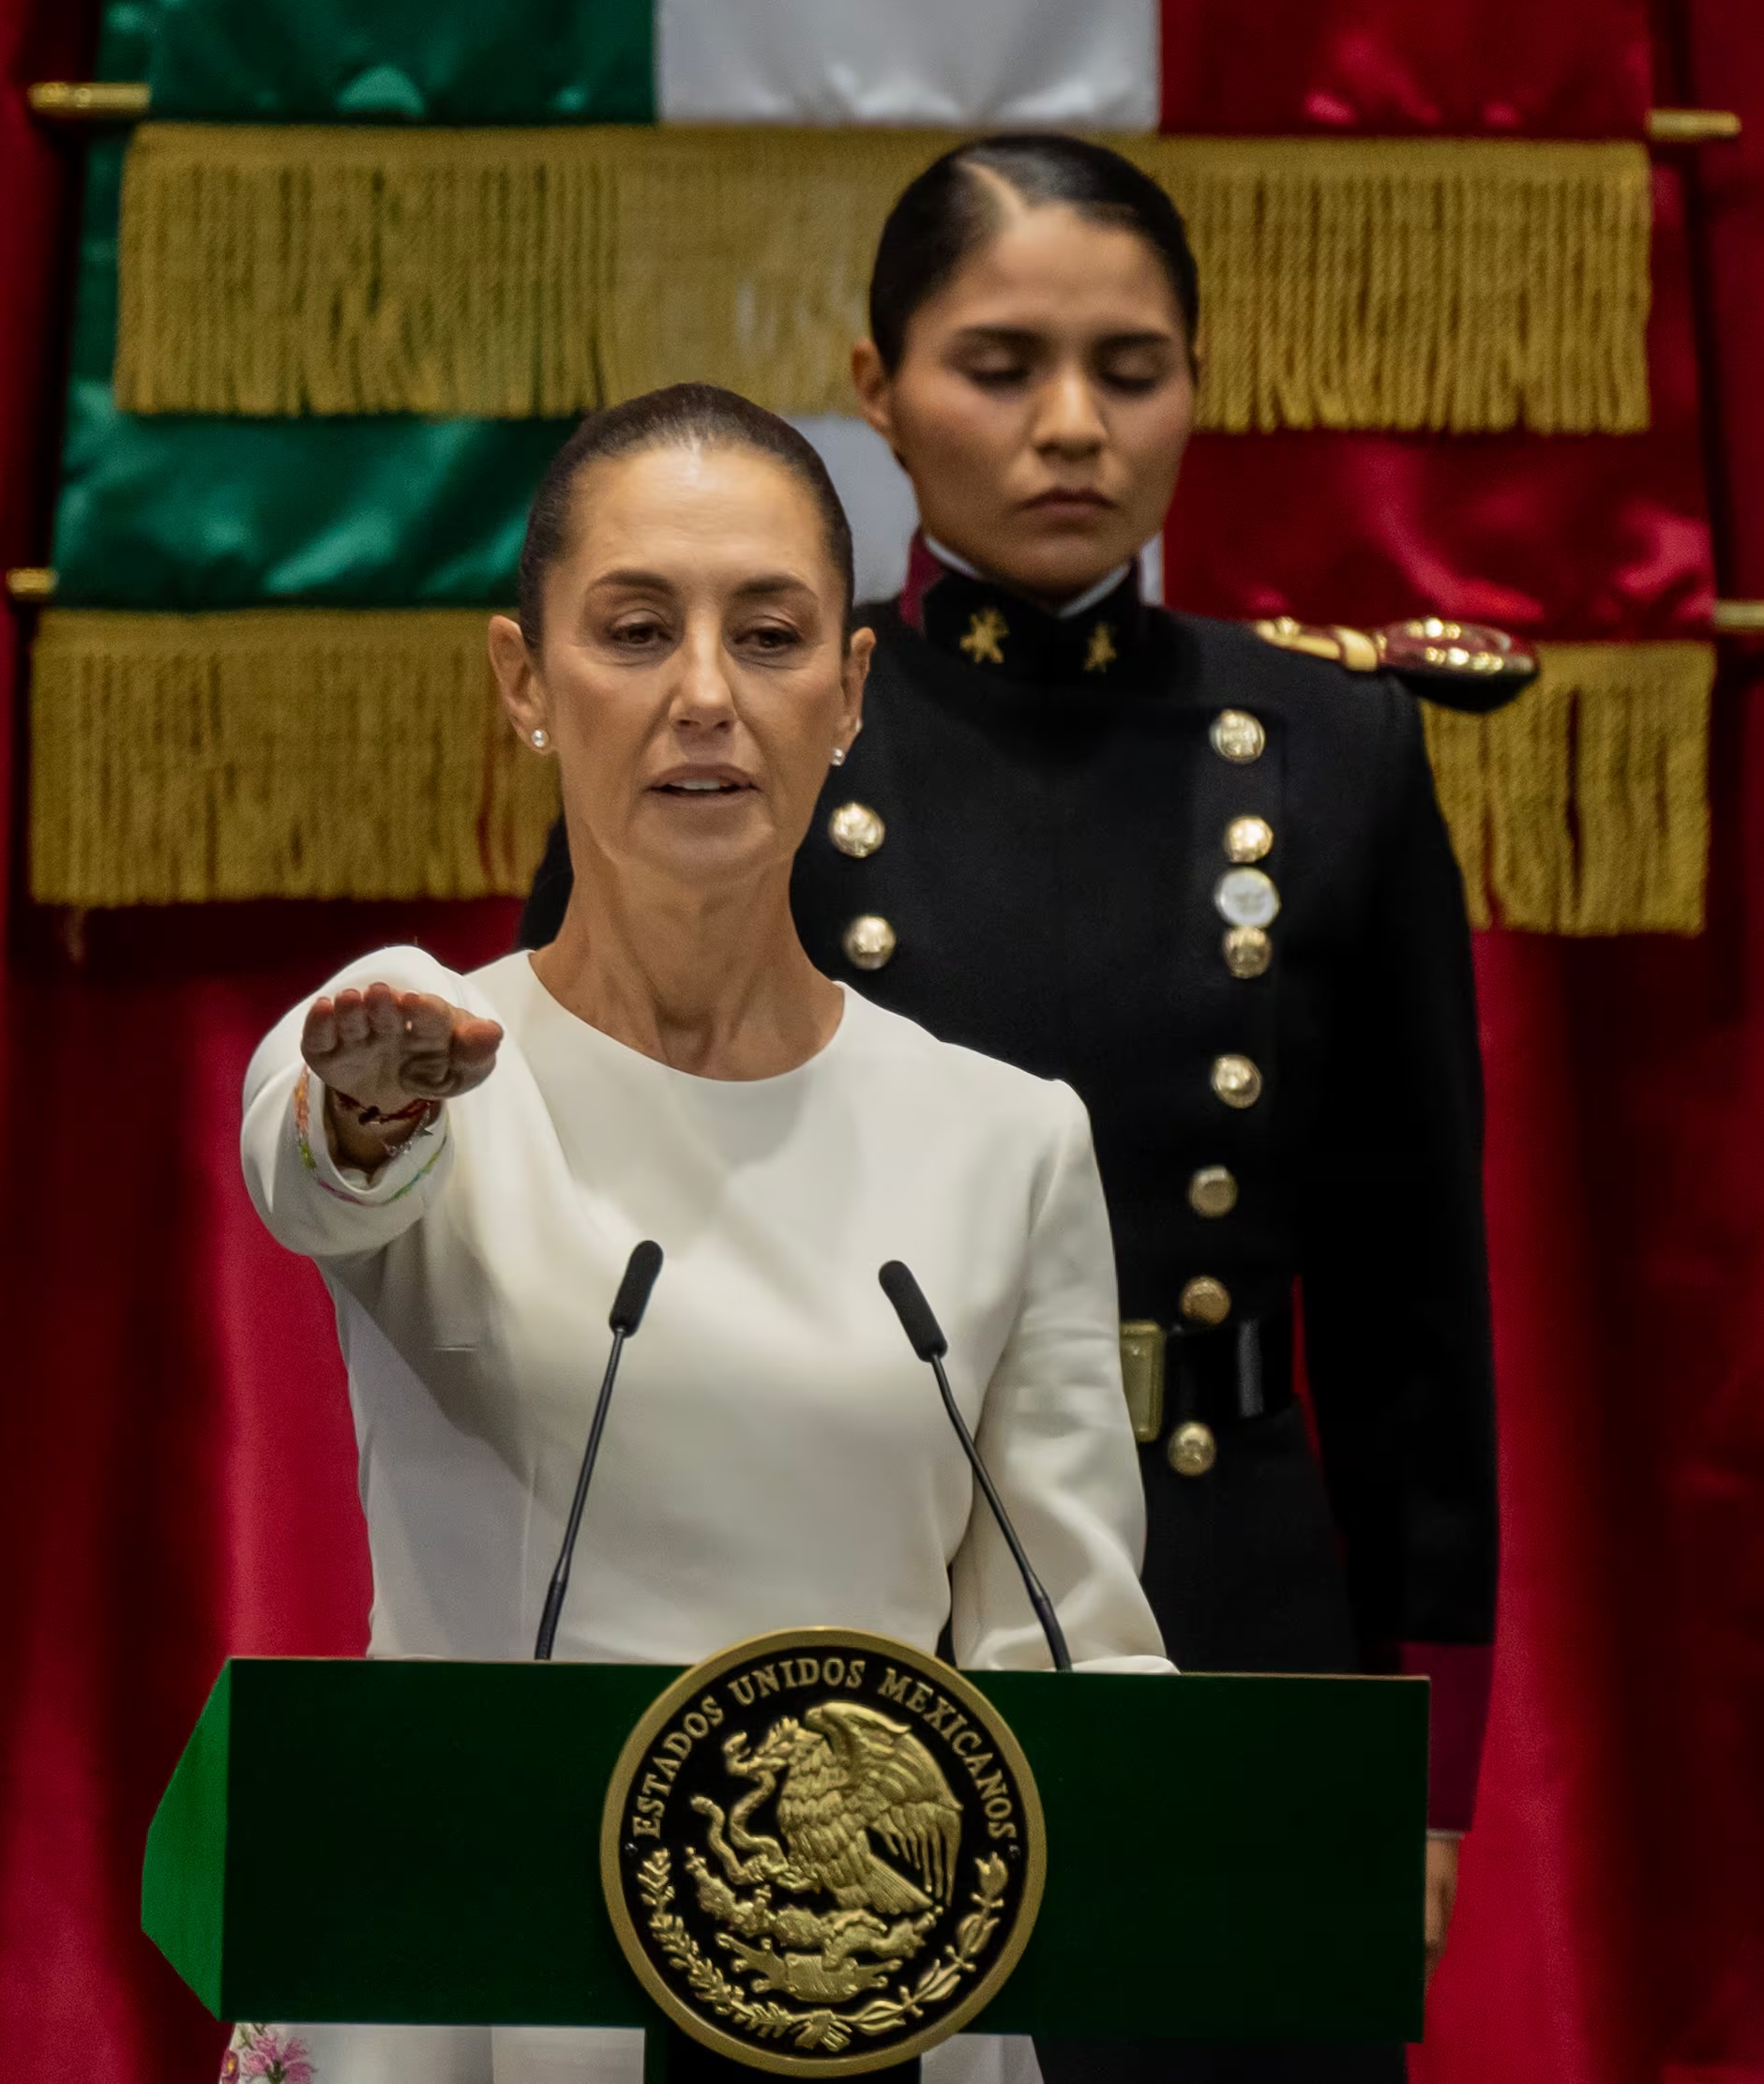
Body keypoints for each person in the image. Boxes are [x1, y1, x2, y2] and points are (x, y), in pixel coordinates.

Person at [521, 141, 1498, 2084]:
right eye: (999, 361)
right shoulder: (752, 727)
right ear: (875, 389)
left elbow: (1412, 1321)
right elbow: (582, 1206)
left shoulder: (1329, 750)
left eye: (1131, 366)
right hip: (831, 1615)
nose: (1070, 424)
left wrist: (1425, 1766)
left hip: (1228, 1608)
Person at [237, 383, 1162, 2084]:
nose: (705, 697)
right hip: (470, 1993)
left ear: (850, 694)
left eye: (771, 633)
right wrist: (366, 1105)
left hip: (872, 2008)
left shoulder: (1006, 1137)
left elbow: (1077, 1658)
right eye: (637, 629)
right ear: (525, 682)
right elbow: (320, 1164)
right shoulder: (423, 1051)